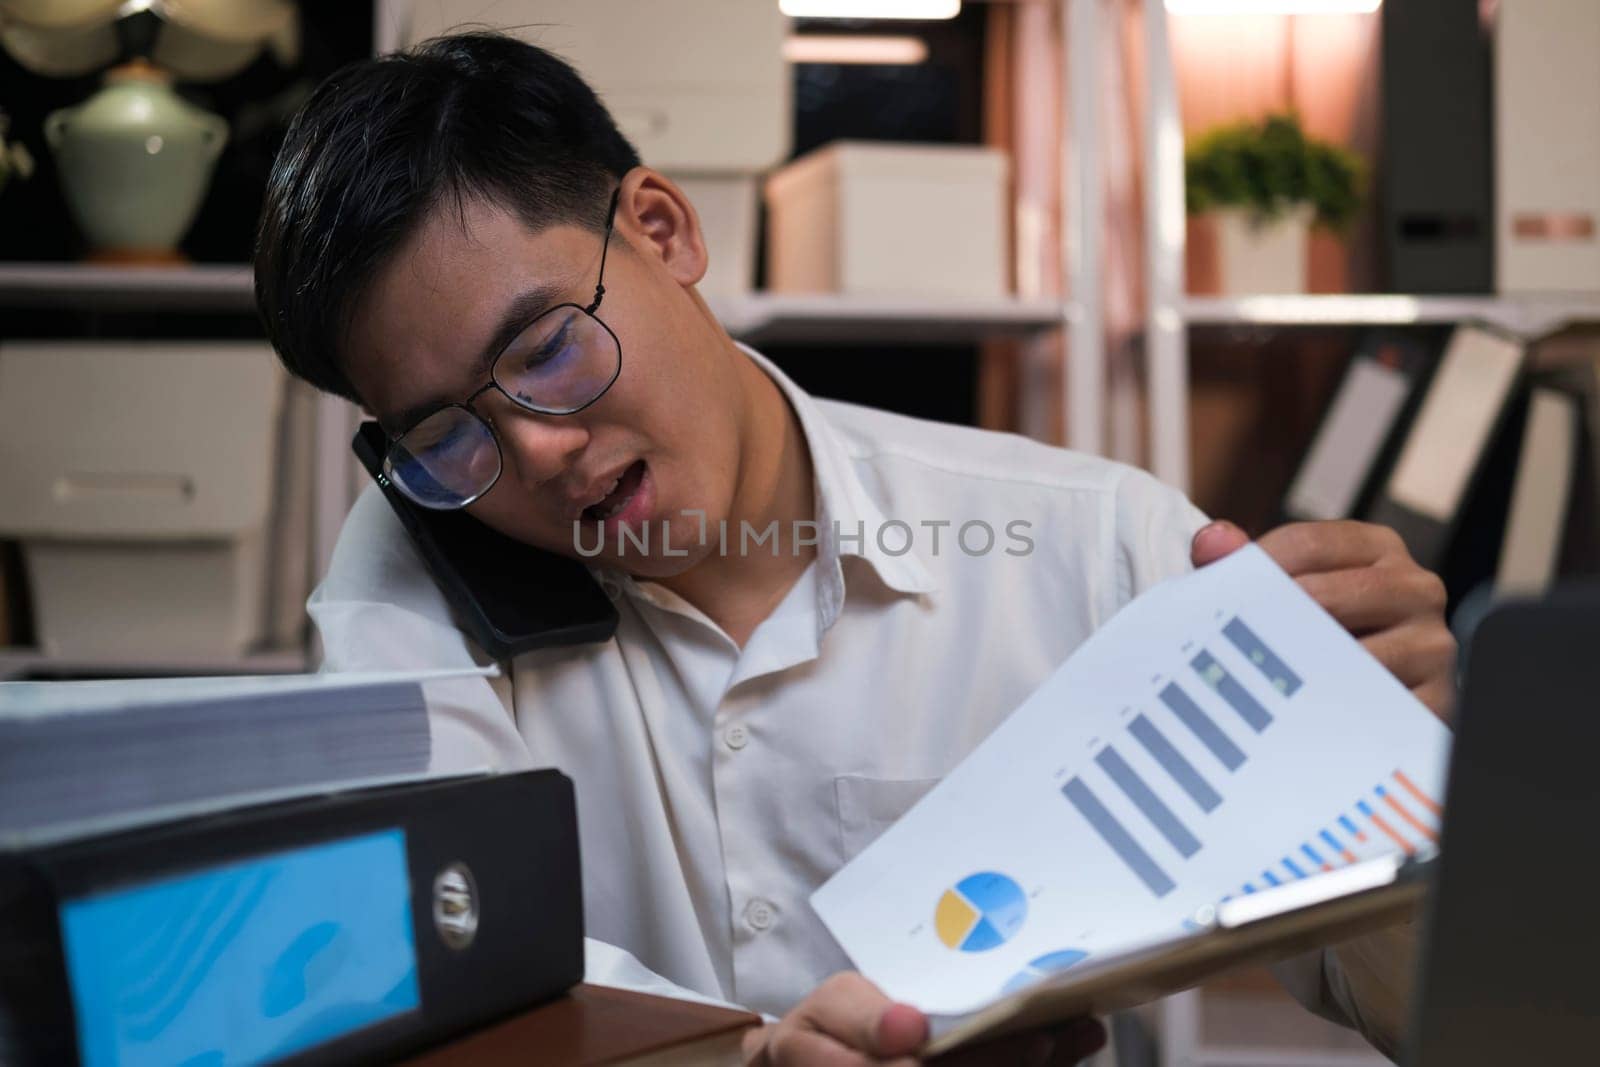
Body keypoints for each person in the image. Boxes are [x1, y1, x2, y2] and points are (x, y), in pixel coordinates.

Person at [255, 32, 1454, 1066]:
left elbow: (1437, 1008)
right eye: (447, 432)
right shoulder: (414, 573)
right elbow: (435, 955)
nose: (535, 451)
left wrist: (1412, 753)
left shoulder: (1092, 549)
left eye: (547, 349)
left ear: (664, 231)